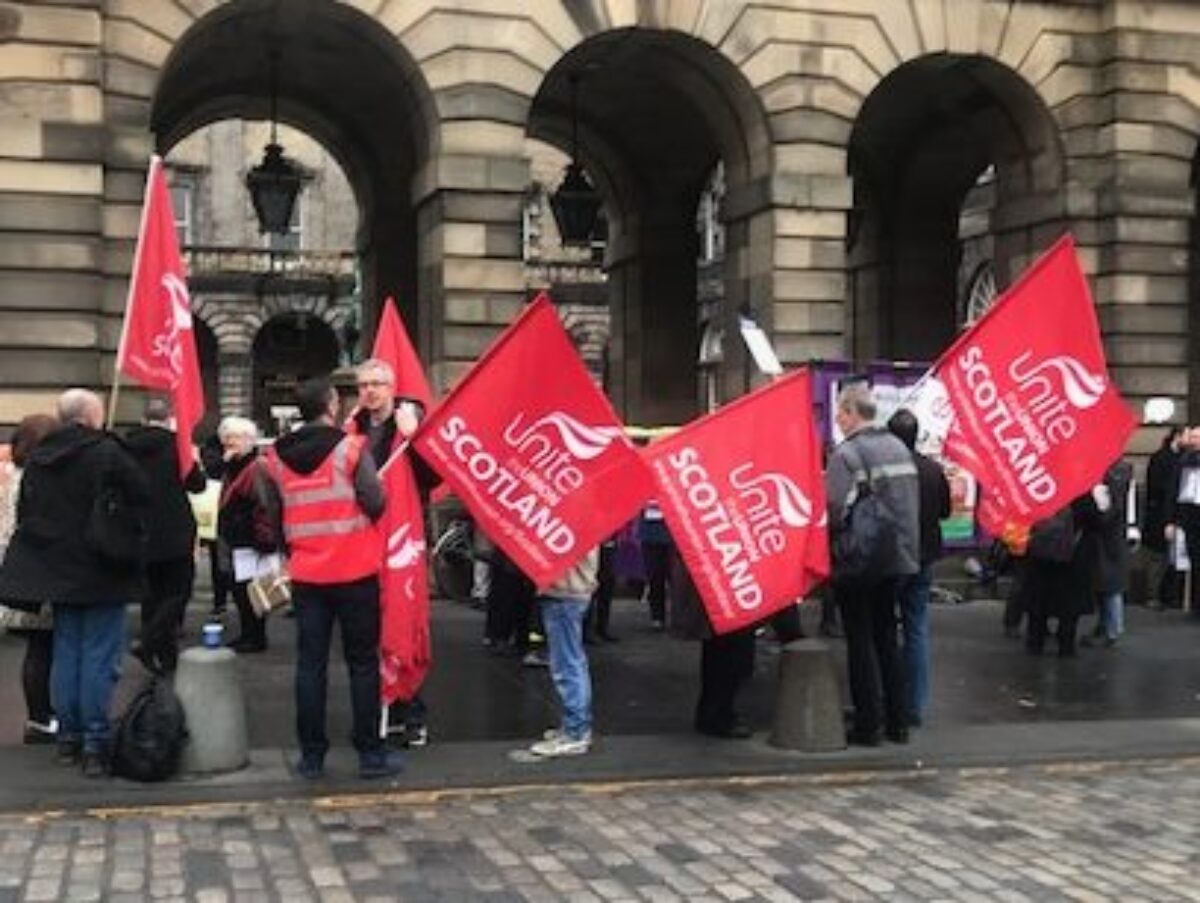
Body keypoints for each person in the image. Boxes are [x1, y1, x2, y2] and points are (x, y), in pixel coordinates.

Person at [0, 389, 149, 776]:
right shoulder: (106, 452)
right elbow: (141, 493)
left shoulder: (39, 459)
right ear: (89, 417)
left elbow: (28, 514)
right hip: (102, 567)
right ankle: (94, 740)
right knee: (99, 659)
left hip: (58, 570)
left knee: (67, 657)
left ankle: (68, 736)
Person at [262, 377, 402, 779]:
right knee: (362, 664)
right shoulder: (352, 449)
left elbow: (274, 515)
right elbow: (375, 500)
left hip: (308, 573)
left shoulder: (274, 457)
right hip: (355, 568)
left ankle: (311, 757)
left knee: (310, 666)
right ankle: (370, 754)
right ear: (332, 405)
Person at [345, 357, 441, 747]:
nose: (370, 391)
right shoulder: (352, 429)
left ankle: (411, 712)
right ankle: (378, 712)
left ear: (391, 386)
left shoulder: (409, 424)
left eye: (377, 384)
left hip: (402, 542)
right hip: (361, 543)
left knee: (404, 624)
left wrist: (415, 439)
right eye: (364, 384)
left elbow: (433, 477)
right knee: (368, 632)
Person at [825, 382, 919, 746]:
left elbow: (833, 510)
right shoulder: (899, 447)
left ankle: (869, 724)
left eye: (839, 413)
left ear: (851, 413)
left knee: (860, 641)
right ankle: (898, 722)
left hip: (859, 561)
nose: (837, 419)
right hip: (897, 559)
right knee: (887, 639)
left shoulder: (846, 455)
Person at [125, 397, 206, 672]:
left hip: (139, 527)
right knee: (178, 591)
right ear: (168, 419)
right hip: (175, 527)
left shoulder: (125, 447)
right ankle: (150, 642)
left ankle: (164, 655)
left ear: (143, 419)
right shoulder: (178, 447)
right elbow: (197, 485)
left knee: (152, 594)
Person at [886, 408, 951, 729]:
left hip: (894, 558)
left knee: (884, 629)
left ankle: (892, 701)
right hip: (925, 556)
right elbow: (945, 511)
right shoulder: (932, 469)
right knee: (916, 628)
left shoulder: (889, 471)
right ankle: (915, 705)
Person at [0, 414, 60, 744]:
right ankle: (43, 718)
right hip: (39, 573)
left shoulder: (11, 475)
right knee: (45, 648)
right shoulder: (39, 478)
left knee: (37, 649)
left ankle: (39, 718)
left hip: (15, 572)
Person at [668, 545, 755, 739]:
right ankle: (719, 715)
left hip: (725, 579)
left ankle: (713, 713)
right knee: (729, 656)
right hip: (727, 581)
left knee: (719, 655)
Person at [527, 545, 600, 757]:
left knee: (567, 664)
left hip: (565, 590)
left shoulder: (574, 519)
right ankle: (575, 727)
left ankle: (576, 732)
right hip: (571, 590)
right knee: (570, 662)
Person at [215, 416, 274, 653]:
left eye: (236, 437)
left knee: (249, 592)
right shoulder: (233, 466)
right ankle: (249, 634)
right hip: (236, 539)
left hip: (251, 540)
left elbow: (264, 504)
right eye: (227, 437)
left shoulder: (257, 466)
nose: (230, 441)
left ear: (249, 440)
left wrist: (265, 538)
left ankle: (254, 637)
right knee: (239, 590)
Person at [1080, 460, 1133, 647]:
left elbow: (1108, 512)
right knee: (1105, 585)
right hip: (1106, 539)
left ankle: (1112, 629)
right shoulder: (1115, 472)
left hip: (1108, 539)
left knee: (1109, 586)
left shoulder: (1115, 474)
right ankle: (1106, 626)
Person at [1143, 426, 1183, 608]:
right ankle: (1153, 595)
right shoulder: (1162, 458)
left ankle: (1165, 594)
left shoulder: (1178, 458)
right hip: (1159, 513)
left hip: (1168, 513)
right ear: (1177, 437)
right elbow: (1157, 486)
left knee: (1167, 556)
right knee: (1157, 556)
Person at [1164, 426, 1200, 616]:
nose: (1193, 440)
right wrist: (1170, 520)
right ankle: (1195, 603)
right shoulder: (1183, 461)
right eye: (1192, 437)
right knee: (1194, 559)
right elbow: (1172, 492)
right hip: (1189, 516)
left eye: (1197, 437)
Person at [639, 501, 671, 629]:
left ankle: (678, 618)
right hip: (650, 532)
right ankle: (657, 617)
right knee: (655, 576)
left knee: (675, 578)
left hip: (674, 531)